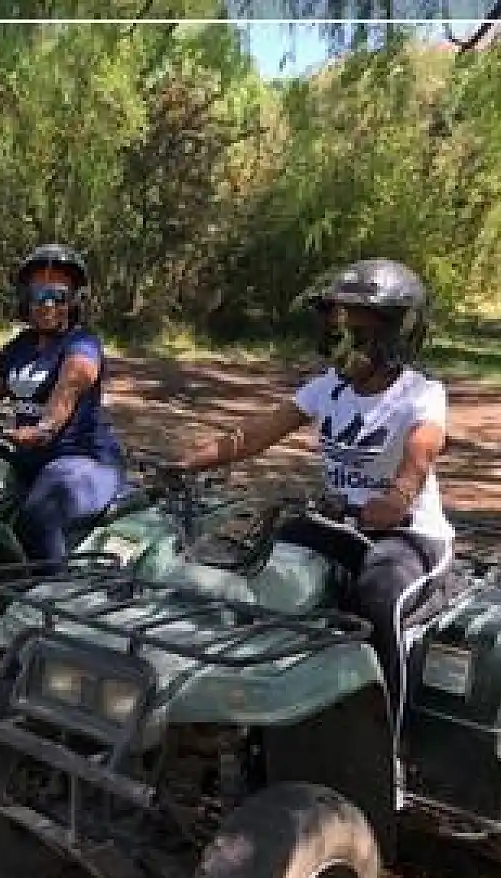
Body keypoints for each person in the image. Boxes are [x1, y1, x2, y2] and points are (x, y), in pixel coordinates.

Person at [175, 257, 454, 768]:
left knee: (380, 593)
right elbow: (257, 433)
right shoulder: (329, 386)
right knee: (259, 567)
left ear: (396, 336)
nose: (343, 340)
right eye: (339, 327)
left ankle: (390, 733)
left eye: (359, 330)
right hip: (339, 524)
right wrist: (187, 462)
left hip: (408, 536)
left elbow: (422, 452)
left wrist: (397, 498)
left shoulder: (421, 393)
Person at [0, 244, 125, 565]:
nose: (46, 303)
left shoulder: (82, 344)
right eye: (37, 293)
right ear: (24, 298)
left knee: (39, 517)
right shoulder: (20, 346)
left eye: (57, 294)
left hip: (83, 460)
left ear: (74, 300)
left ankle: (50, 601)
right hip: (29, 459)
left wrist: (45, 427)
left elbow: (69, 387)